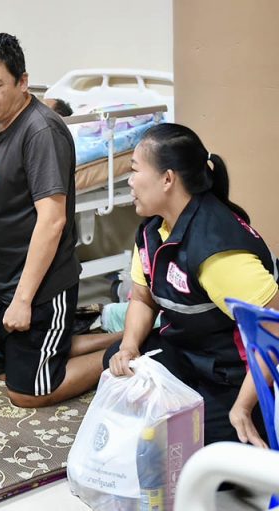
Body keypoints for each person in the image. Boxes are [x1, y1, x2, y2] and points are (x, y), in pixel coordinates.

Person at [106, 123, 279, 447]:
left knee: (199, 449)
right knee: (119, 361)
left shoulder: (216, 251)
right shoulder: (152, 230)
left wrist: (243, 407)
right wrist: (129, 346)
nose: (129, 181)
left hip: (233, 375)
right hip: (187, 353)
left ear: (167, 179)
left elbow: (273, 329)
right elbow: (142, 298)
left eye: (135, 170)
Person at [0, 33, 109, 409]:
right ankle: (119, 335)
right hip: (4, 279)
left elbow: (52, 221)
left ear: (22, 81)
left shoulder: (41, 131)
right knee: (2, 371)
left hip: (41, 286)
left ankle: (125, 351)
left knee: (26, 393)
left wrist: (23, 300)